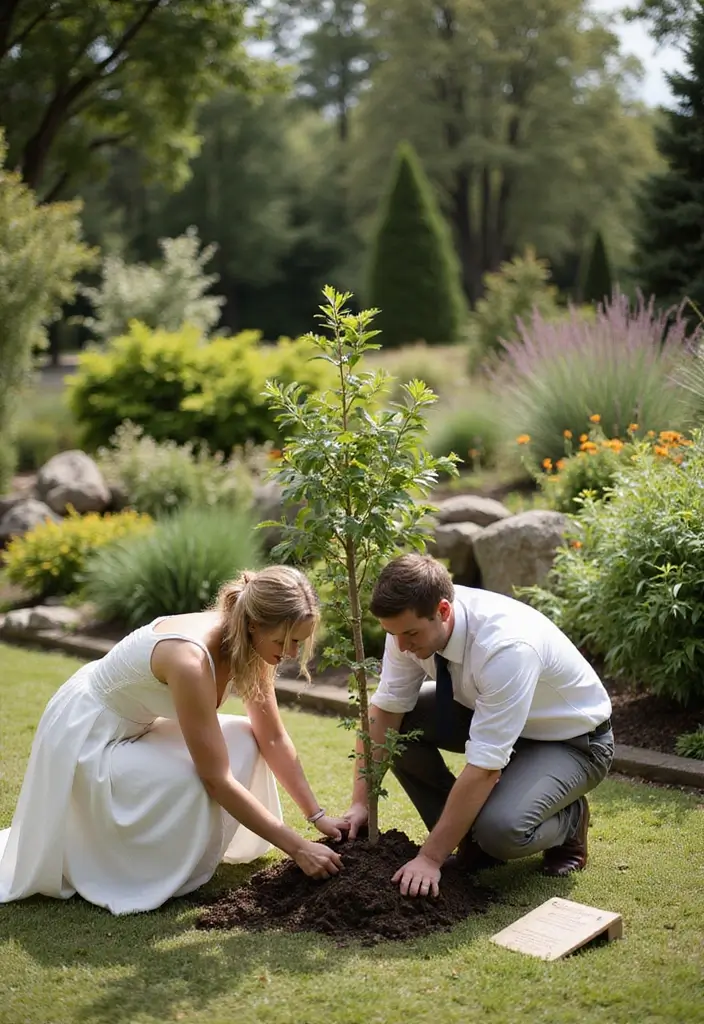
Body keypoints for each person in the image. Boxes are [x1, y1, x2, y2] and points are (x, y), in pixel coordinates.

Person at [0, 566, 349, 914]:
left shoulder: (251, 644)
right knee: (195, 776)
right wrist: (298, 848)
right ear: (255, 623)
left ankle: (179, 851)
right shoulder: (190, 660)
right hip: (89, 735)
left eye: (298, 642)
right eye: (284, 641)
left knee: (245, 737)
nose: (290, 653)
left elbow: (271, 737)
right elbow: (216, 778)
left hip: (138, 723)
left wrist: (316, 816)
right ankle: (129, 859)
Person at [343, 554, 614, 898]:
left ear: (443, 611)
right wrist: (361, 803)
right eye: (392, 634)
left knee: (500, 831)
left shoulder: (505, 648)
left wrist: (430, 858)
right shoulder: (408, 625)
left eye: (410, 633)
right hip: (487, 711)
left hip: (571, 741)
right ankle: (468, 840)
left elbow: (485, 768)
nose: (401, 646)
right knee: (401, 728)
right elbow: (386, 711)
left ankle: (569, 819)